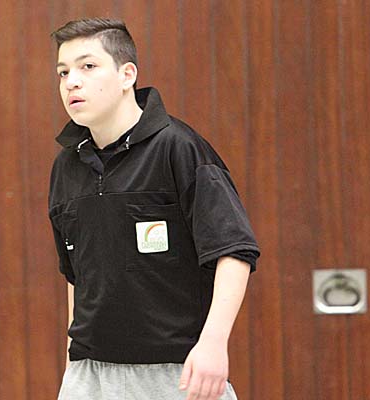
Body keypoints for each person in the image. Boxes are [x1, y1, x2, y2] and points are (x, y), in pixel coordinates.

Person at [49, 18, 260, 400]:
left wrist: (213, 344)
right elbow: (76, 277)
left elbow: (234, 251)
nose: (71, 82)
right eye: (63, 72)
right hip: (89, 374)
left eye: (88, 66)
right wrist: (71, 371)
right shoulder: (67, 165)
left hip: (177, 371)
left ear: (127, 74)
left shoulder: (179, 148)